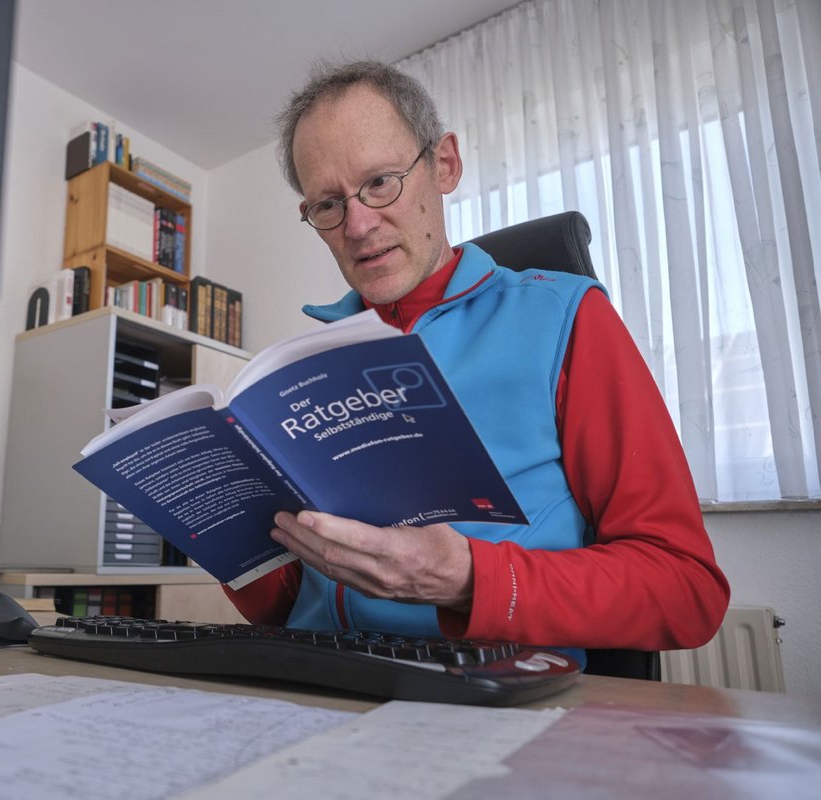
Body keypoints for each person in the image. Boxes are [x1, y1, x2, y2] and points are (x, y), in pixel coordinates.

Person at [223, 60, 729, 664]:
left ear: (444, 165)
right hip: (313, 676)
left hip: (482, 695)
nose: (358, 225)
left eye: (381, 182)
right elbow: (299, 603)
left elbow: (685, 591)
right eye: (327, 204)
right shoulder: (304, 365)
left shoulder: (563, 317)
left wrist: (468, 580)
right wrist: (229, 545)